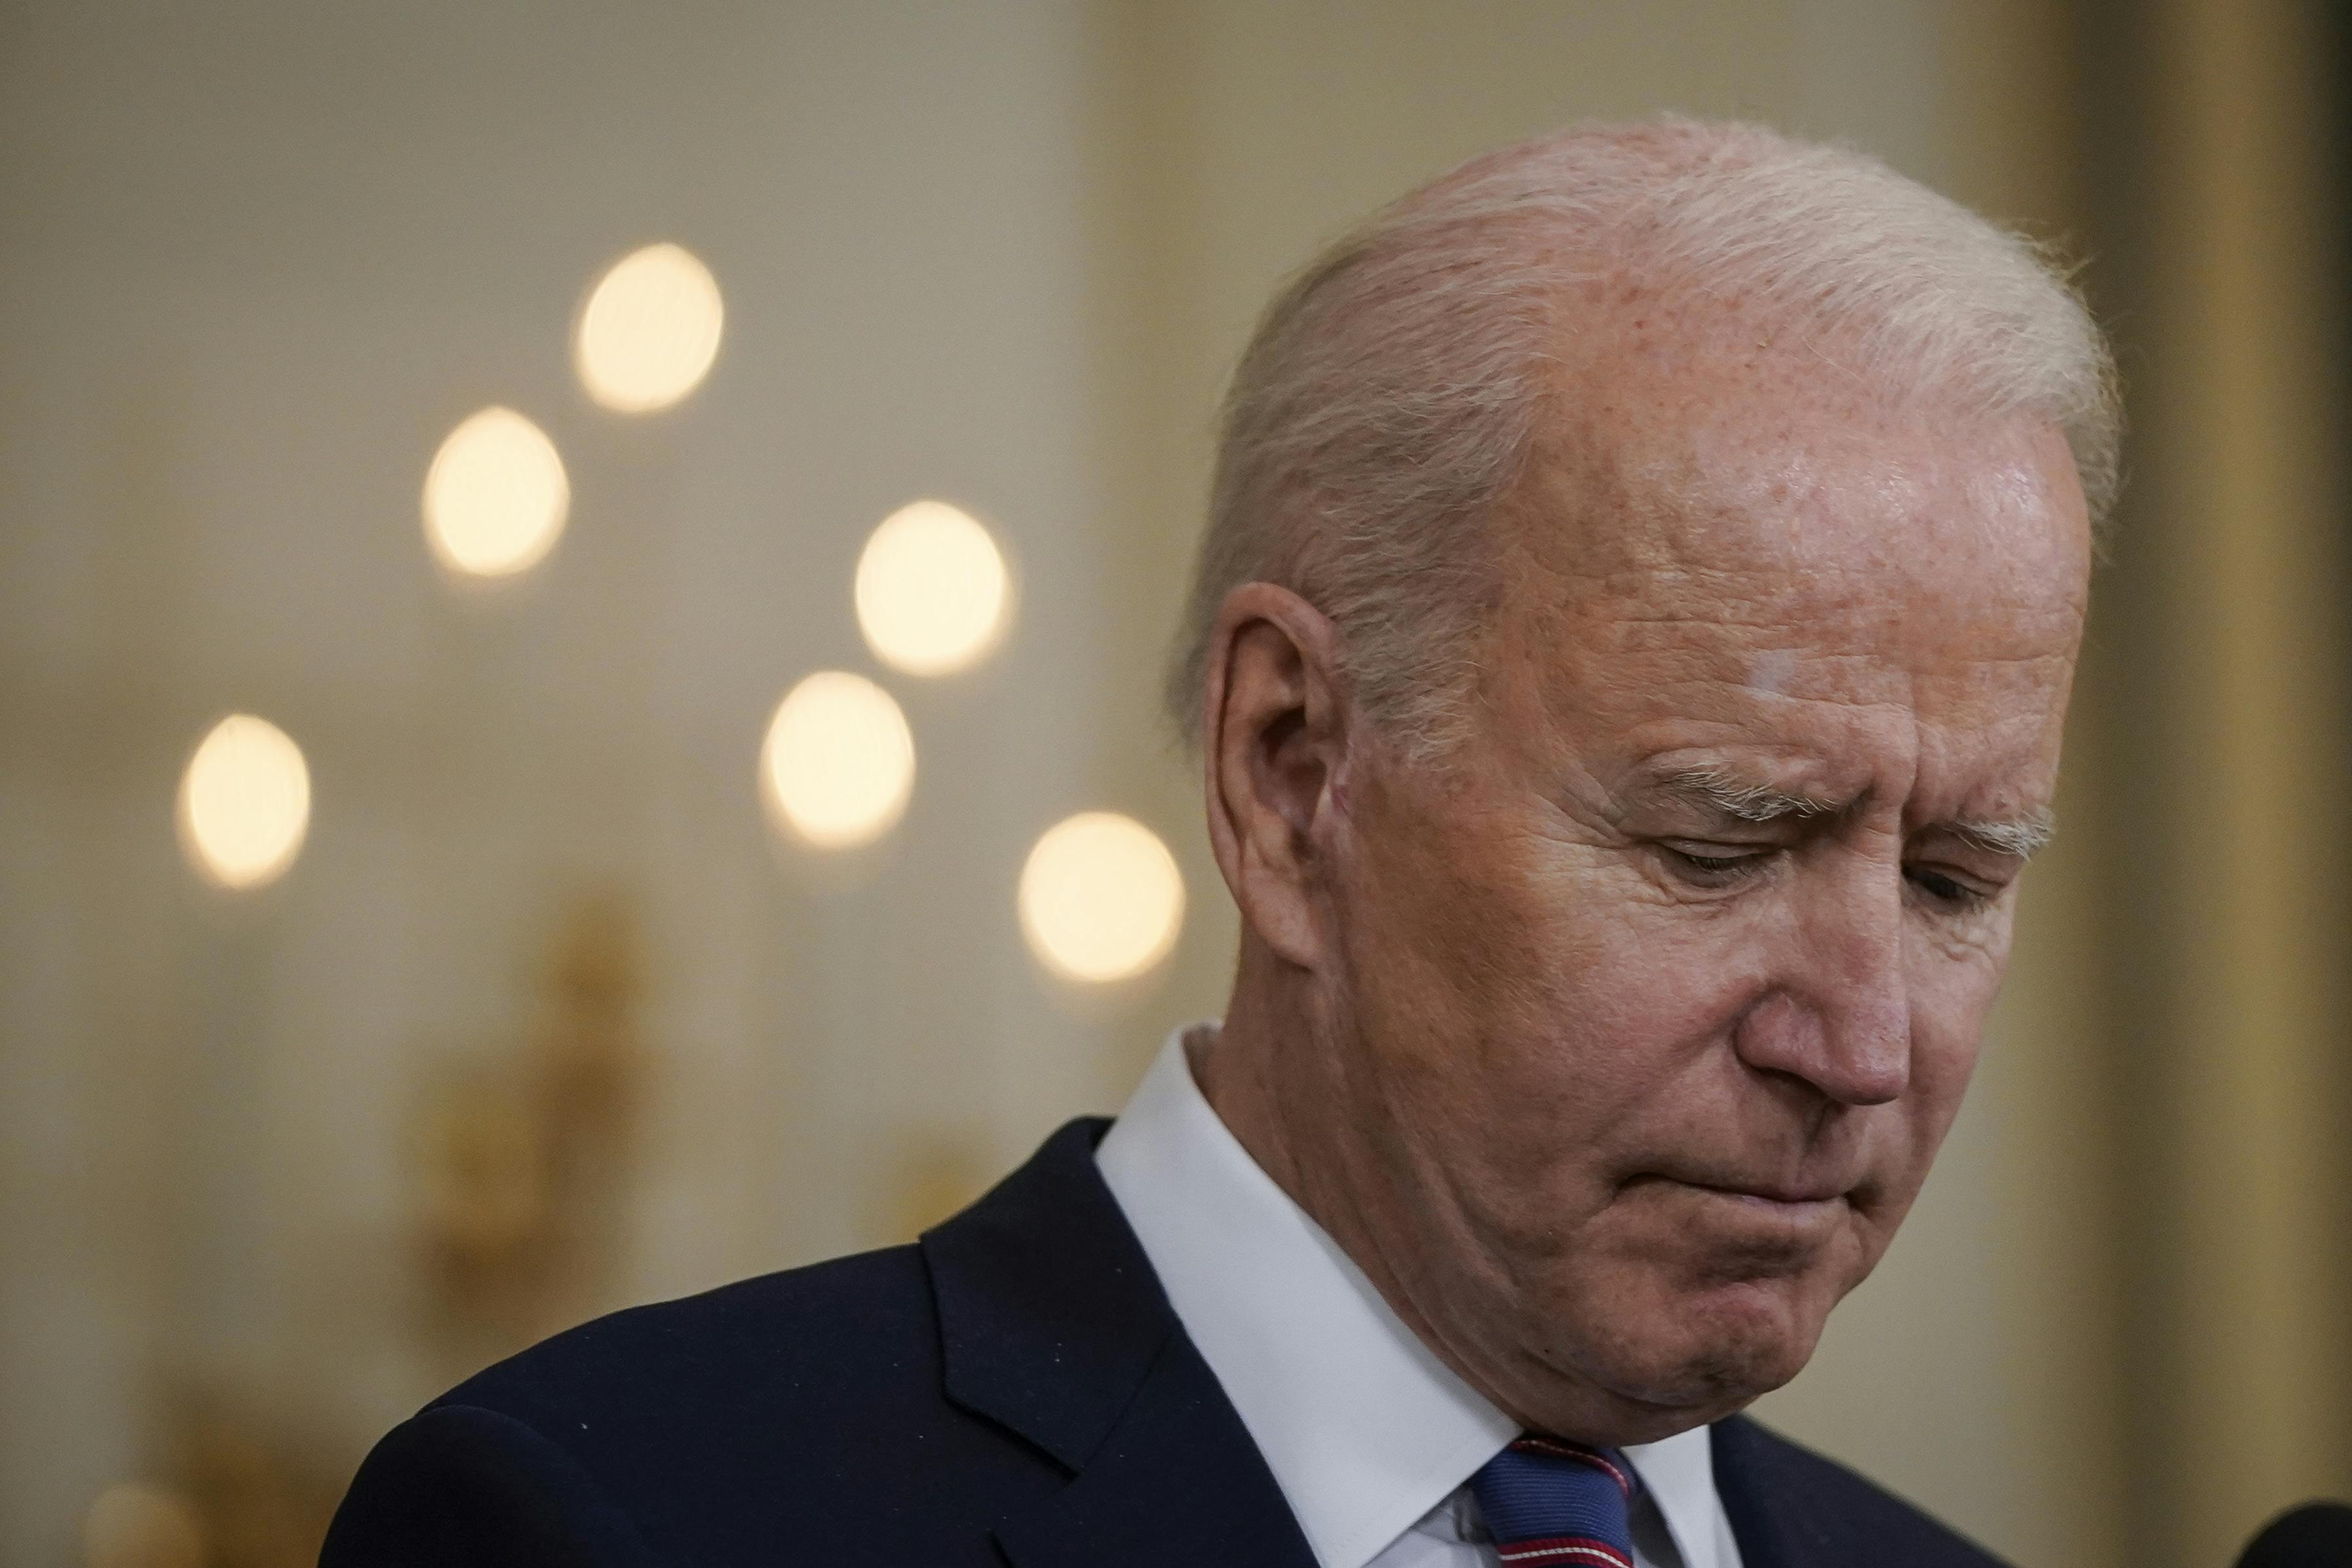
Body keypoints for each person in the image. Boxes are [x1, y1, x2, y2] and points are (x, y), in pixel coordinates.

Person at [322, 117, 2115, 1568]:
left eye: (1953, 879)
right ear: (1291, 769)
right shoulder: (619, 1524)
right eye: (1717, 846)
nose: (1860, 1049)